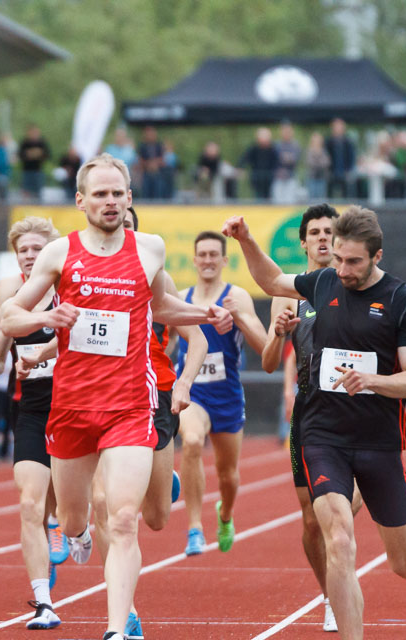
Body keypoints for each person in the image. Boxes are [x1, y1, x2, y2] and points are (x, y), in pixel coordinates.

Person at [1, 153, 231, 640]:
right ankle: (79, 533)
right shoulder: (58, 254)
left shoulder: (149, 248)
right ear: (81, 200)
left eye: (117, 193)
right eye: (99, 194)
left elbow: (163, 304)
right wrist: (48, 319)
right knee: (73, 516)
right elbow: (9, 318)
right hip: (70, 407)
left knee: (124, 518)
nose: (109, 201)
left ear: (129, 198)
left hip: (129, 406)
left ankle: (116, 630)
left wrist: (202, 315)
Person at [223, 205, 406, 640]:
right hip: (322, 434)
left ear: (377, 256)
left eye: (353, 261)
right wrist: (245, 240)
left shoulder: (403, 301)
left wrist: (371, 379)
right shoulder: (322, 283)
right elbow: (272, 281)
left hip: (378, 442)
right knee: (337, 540)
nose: (342, 269)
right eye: (337, 257)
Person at [90, 206, 208, 639]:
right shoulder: (86, 275)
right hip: (99, 397)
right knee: (104, 506)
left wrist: (184, 385)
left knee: (156, 517)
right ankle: (125, 613)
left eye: (129, 228)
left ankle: (164, 480)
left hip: (153, 392)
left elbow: (197, 339)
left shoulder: (156, 278)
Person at [260, 204, 363, 632]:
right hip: (310, 412)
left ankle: (340, 565)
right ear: (303, 242)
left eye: (329, 232)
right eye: (315, 232)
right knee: (310, 518)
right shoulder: (288, 294)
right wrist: (280, 334)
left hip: (356, 411)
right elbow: (268, 361)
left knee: (342, 510)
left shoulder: (356, 285)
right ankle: (331, 593)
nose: (323, 238)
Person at [0, 216, 65, 630]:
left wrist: (44, 351)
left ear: (50, 252)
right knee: (30, 502)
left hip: (75, 407)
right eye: (23, 250)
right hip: (31, 407)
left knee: (82, 508)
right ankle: (44, 602)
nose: (29, 256)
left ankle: (72, 525)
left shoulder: (70, 287)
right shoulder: (11, 292)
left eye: (36, 249)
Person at [178, 230, 268, 557]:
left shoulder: (237, 296)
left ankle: (225, 515)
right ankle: (194, 529)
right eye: (202, 254)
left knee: (227, 475)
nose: (207, 260)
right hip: (193, 395)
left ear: (224, 260)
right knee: (190, 443)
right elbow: (166, 345)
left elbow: (264, 345)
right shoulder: (181, 297)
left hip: (228, 396)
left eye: (213, 254)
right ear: (194, 259)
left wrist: (240, 317)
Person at [239, 128, 279, 200]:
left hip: (270, 180)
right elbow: (244, 159)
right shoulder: (253, 148)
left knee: (270, 199)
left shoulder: (273, 149)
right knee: (258, 198)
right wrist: (240, 168)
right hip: (256, 180)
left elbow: (277, 162)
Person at [324, 118, 356, 199]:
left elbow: (352, 156)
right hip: (332, 172)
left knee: (346, 195)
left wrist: (349, 170)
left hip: (344, 172)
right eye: (336, 126)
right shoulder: (328, 141)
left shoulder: (348, 142)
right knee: (330, 195)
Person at [18, 125, 50, 200]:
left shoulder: (42, 143)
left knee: (38, 193)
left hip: (38, 171)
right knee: (26, 193)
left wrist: (37, 154)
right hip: (26, 171)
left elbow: (47, 155)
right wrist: (31, 154)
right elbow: (20, 155)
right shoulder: (25, 143)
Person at [272, 121, 302, 203]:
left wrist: (286, 157)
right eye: (284, 131)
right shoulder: (276, 145)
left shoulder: (296, 145)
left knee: (290, 202)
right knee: (277, 203)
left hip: (291, 178)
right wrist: (287, 157)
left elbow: (294, 159)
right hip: (278, 178)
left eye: (288, 131)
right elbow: (277, 158)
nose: (286, 133)